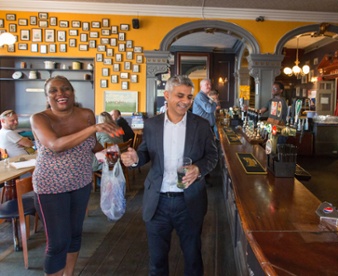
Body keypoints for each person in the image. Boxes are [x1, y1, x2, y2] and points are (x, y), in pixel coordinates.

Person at [121, 75, 218, 275]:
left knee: (193, 260)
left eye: (189, 97)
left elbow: (212, 156)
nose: (186, 101)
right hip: (158, 202)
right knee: (157, 263)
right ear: (166, 95)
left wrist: (199, 169)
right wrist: (135, 159)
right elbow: (145, 152)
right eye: (180, 95)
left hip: (189, 200)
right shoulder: (152, 125)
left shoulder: (201, 125)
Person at [30, 76, 121, 276]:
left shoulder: (86, 115)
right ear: (47, 96)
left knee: (75, 235)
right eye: (54, 90)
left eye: (66, 88)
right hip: (50, 187)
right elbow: (55, 144)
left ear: (73, 92)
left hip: (81, 183)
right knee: (58, 242)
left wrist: (111, 155)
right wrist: (94, 128)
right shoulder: (39, 118)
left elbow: (93, 145)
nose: (60, 94)